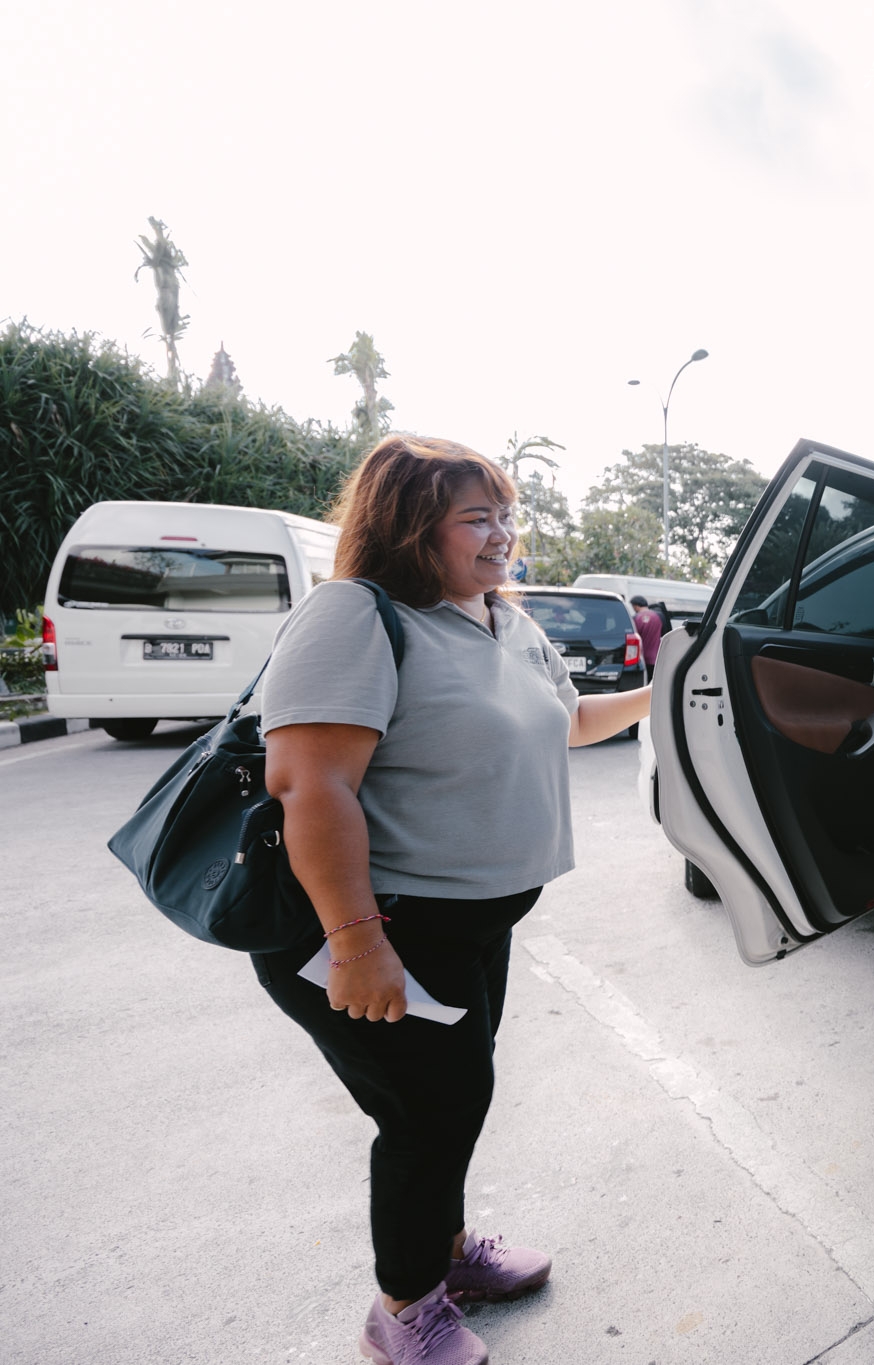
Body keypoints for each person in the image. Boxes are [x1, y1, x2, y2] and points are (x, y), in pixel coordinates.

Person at [255, 435, 651, 1365]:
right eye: (477, 517)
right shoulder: (359, 615)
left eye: (506, 514)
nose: (502, 533)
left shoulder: (502, 620)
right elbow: (309, 784)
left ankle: (442, 1250)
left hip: (470, 924)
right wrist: (356, 940)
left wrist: (662, 689)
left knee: (456, 1102)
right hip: (379, 926)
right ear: (407, 526)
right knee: (429, 1115)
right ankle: (403, 1313)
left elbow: (572, 723)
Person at [629, 594, 667, 677]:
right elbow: (665, 634)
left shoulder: (635, 618)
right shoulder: (660, 616)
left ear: (635, 606)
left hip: (641, 659)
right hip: (656, 657)